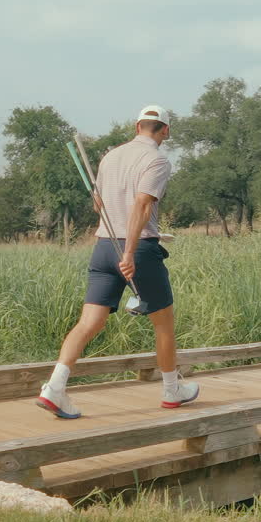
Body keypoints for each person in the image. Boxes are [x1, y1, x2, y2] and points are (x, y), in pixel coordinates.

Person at [35, 105, 199, 419]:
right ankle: (171, 390)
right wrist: (129, 253)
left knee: (88, 323)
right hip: (136, 249)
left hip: (103, 246)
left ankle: (54, 388)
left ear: (138, 126)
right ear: (165, 130)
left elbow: (99, 205)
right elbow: (140, 205)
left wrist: (120, 243)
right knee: (164, 324)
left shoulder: (110, 157)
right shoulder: (157, 160)